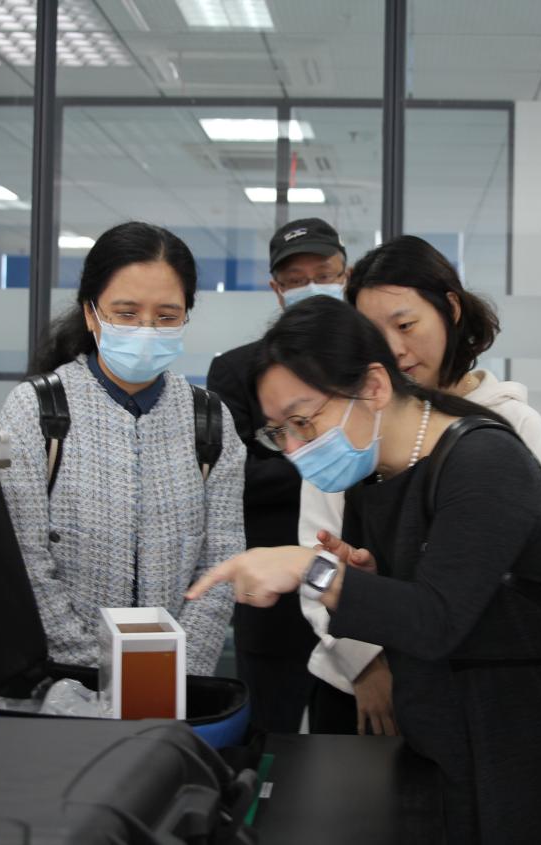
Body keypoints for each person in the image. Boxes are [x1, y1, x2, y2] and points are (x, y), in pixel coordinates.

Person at [187, 296, 541, 845]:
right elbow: (412, 606)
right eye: (279, 431)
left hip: (520, 751)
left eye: (303, 421)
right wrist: (366, 577)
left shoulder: (484, 461)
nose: (295, 448)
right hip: (438, 739)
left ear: (374, 385)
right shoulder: (377, 475)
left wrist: (311, 569)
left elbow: (435, 621)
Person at [298, 235, 541, 736]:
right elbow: (315, 552)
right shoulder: (348, 419)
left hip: (469, 694)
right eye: (374, 334)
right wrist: (365, 664)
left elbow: (519, 575)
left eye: (406, 325)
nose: (394, 349)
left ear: (450, 309)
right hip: (353, 688)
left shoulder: (510, 425)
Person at [0, 221, 243, 676]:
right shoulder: (35, 410)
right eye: (126, 314)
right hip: (62, 682)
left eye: (166, 317)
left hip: (177, 684)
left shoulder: (209, 419)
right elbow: (23, 559)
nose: (146, 329)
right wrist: (95, 674)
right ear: (91, 314)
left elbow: (222, 562)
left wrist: (176, 674)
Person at [206, 217, 348, 732]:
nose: (312, 286)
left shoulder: (371, 365)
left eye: (324, 274)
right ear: (276, 289)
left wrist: (287, 460)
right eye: (295, 279)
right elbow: (233, 477)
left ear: (346, 275)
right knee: (270, 741)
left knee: (357, 747)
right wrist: (332, 457)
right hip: (273, 602)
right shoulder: (238, 370)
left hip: (358, 588)